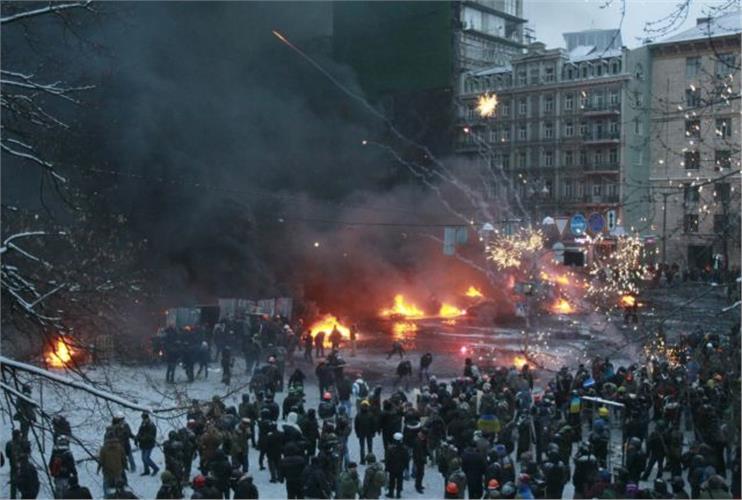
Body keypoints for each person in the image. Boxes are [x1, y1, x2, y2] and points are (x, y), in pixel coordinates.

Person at [6, 429, 30, 499]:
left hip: (15, 466)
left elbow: (7, 455)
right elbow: (27, 452)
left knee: (14, 484)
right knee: (21, 483)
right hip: (21, 467)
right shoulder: (22, 443)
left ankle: (13, 497)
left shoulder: (9, 443)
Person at [385, 433, 408, 499]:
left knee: (392, 481)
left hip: (392, 468)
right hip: (400, 468)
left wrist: (387, 468)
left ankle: (391, 493)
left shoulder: (390, 449)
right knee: (400, 481)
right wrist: (405, 467)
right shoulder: (404, 449)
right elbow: (406, 459)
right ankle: (398, 494)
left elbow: (388, 459)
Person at [135, 412, 159, 476]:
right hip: (143, 444)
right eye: (143, 419)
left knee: (146, 458)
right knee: (143, 458)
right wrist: (136, 438)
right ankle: (146, 471)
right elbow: (139, 432)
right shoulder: (143, 424)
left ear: (147, 418)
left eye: (144, 418)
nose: (143, 420)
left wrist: (141, 438)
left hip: (149, 444)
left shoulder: (151, 425)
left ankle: (155, 468)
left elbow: (150, 436)